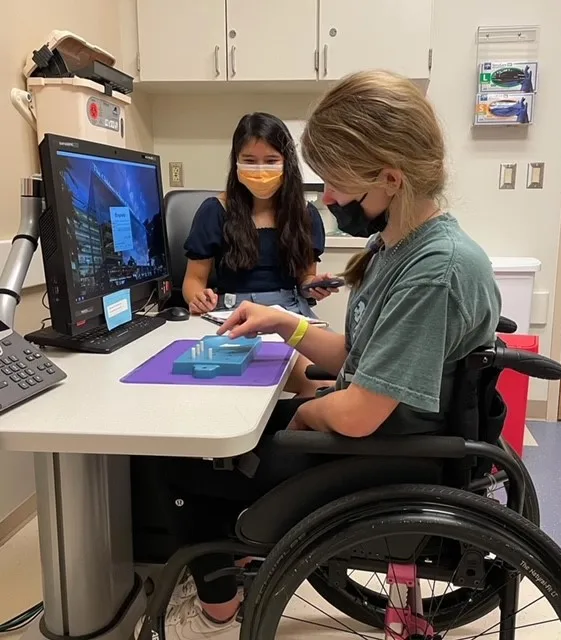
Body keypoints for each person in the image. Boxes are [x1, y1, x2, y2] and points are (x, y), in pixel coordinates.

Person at [148, 70, 501, 639]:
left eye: (337, 183)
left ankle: (217, 603)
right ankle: (231, 569)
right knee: (222, 424)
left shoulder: (436, 270)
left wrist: (310, 408)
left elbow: (359, 412)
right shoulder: (398, 245)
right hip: (392, 436)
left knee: (179, 456)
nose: (328, 198)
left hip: (386, 452)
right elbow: (353, 355)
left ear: (390, 177)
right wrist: (284, 323)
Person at [182, 112, 337, 395]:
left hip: (290, 315)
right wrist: (197, 298)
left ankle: (291, 435)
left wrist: (314, 287)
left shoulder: (304, 214)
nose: (260, 170)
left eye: (271, 160)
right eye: (250, 161)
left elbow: (305, 279)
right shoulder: (214, 211)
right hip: (233, 317)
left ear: (287, 162)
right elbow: (193, 280)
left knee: (330, 382)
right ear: (236, 162)